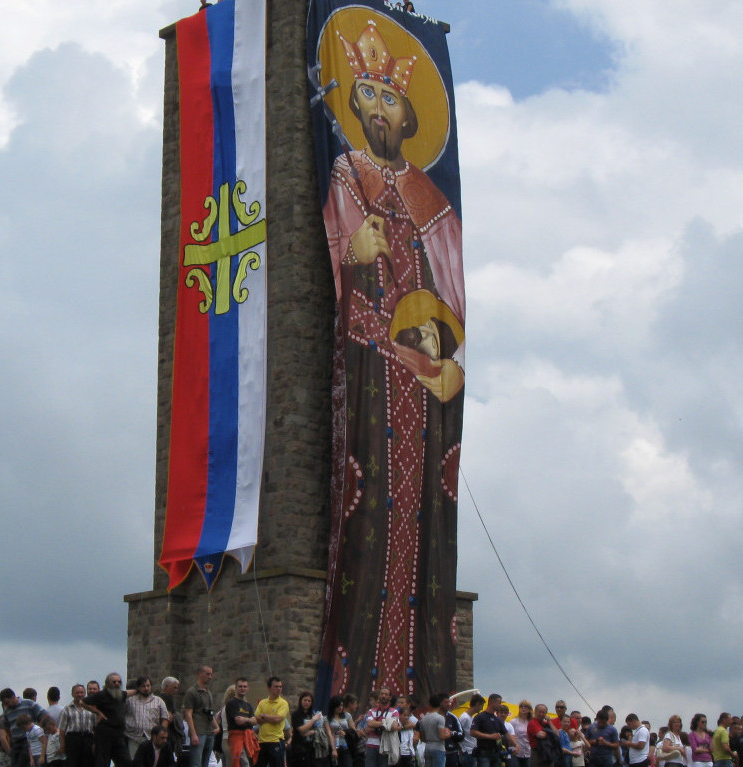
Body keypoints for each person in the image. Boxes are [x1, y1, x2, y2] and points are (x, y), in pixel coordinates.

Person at [316, 14, 465, 702]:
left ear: (410, 117)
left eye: (389, 97)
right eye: (366, 95)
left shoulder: (432, 199)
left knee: (417, 511)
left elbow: (448, 280)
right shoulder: (345, 174)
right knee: (370, 506)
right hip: (373, 372)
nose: (376, 107)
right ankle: (360, 681)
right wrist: (357, 252)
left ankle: (415, 677)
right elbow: (346, 256)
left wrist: (436, 352)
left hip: (422, 378)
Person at [1, 688, 58, 767]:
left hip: (28, 740)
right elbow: (7, 728)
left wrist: (38, 729)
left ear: (13, 697)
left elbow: (45, 715)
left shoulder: (29, 704)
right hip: (16, 742)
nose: (7, 705)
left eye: (7, 702)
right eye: (4, 703)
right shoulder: (7, 712)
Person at [89, 674, 131, 767]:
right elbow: (83, 702)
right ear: (108, 684)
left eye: (119, 682)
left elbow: (128, 692)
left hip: (118, 735)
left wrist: (139, 690)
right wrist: (97, 712)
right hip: (104, 735)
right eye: (114, 682)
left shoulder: (119, 695)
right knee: (103, 762)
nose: (117, 684)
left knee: (126, 761)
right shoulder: (102, 695)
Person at [126, 678, 171, 760]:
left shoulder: (158, 701)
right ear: (138, 688)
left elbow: (165, 718)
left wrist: (162, 733)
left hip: (151, 738)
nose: (146, 688)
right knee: (133, 761)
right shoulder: (130, 700)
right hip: (134, 737)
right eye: (143, 686)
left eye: (148, 686)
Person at [182, 667, 218, 767]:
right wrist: (193, 734)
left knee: (205, 763)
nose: (210, 677)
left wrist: (216, 727)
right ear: (199, 674)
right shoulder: (192, 692)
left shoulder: (208, 692)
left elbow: (210, 712)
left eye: (211, 674)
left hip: (209, 731)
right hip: (199, 731)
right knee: (196, 763)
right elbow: (188, 714)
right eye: (207, 674)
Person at [59, 684, 98, 767]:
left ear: (85, 693)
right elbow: (62, 730)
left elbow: (96, 728)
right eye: (77, 693)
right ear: (72, 694)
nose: (79, 695)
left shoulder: (91, 708)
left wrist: (95, 743)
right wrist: (62, 745)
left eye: (81, 692)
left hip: (88, 739)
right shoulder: (67, 709)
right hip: (72, 739)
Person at [254, 677, 289, 767]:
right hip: (262, 741)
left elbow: (278, 719)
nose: (279, 689)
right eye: (276, 686)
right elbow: (257, 718)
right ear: (269, 688)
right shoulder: (262, 703)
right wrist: (270, 718)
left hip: (276, 741)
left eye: (280, 687)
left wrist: (264, 716)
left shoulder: (283, 703)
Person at [290, 692, 330, 767]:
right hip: (298, 748)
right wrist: (313, 720)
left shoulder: (312, 714)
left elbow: (318, 729)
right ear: (301, 700)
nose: (307, 703)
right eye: (305, 700)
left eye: (309, 701)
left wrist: (312, 731)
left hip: (311, 748)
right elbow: (301, 730)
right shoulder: (296, 714)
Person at [226, 680, 259, 767]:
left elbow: (255, 721)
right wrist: (249, 720)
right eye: (240, 686)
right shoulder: (231, 703)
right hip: (236, 737)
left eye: (245, 686)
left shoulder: (248, 705)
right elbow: (238, 721)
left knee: (250, 762)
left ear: (248, 688)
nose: (242, 688)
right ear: (236, 688)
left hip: (248, 738)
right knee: (242, 762)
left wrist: (245, 720)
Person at [470, 695, 507, 767]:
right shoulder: (480, 717)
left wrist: (516, 745)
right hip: (484, 752)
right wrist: (490, 736)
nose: (500, 705)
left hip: (496, 752)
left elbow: (507, 733)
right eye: (499, 703)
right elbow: (472, 732)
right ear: (492, 702)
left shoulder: (497, 719)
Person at [420, 694, 453, 767]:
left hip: (428, 747)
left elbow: (422, 738)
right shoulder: (440, 718)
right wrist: (449, 733)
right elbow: (441, 736)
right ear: (440, 704)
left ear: (429, 704)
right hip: (438, 747)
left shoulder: (423, 719)